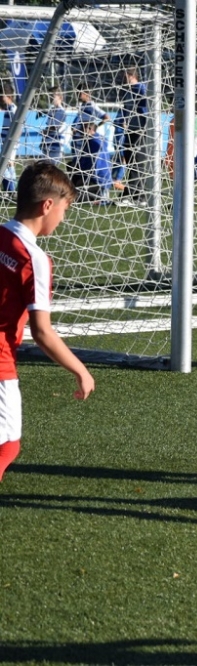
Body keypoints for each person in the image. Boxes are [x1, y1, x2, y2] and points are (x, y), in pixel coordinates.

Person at [0, 161, 96, 482]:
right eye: (64, 210)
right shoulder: (34, 258)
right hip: (1, 363)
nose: (63, 219)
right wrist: (81, 371)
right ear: (47, 206)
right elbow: (41, 331)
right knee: (6, 446)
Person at [116, 68, 149, 205]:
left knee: (137, 163)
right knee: (130, 161)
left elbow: (147, 108)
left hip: (139, 130)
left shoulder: (141, 88)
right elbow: (127, 109)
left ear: (131, 76)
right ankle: (141, 196)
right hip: (130, 130)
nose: (123, 79)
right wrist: (123, 120)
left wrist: (144, 125)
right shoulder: (128, 91)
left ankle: (128, 196)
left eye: (125, 76)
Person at [70, 122, 113, 203]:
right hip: (95, 178)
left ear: (89, 129)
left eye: (82, 129)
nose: (80, 131)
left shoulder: (95, 143)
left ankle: (100, 195)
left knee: (71, 198)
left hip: (97, 180)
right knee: (71, 165)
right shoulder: (94, 140)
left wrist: (85, 177)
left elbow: (96, 164)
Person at [73, 84, 111, 155]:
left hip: (86, 139)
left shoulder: (92, 106)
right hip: (78, 138)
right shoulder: (82, 105)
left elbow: (107, 117)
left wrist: (95, 127)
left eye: (79, 93)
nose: (77, 95)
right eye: (77, 93)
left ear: (87, 93)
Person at [41, 87, 67, 161]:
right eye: (50, 96)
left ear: (60, 97)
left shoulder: (61, 111)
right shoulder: (52, 110)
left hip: (55, 146)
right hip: (48, 144)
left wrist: (45, 131)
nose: (51, 98)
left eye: (53, 96)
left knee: (51, 167)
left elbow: (54, 127)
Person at [1, 91, 18, 193]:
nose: (2, 98)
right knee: (6, 164)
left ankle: (12, 190)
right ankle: (8, 190)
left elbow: (17, 127)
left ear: (9, 96)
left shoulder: (13, 109)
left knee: (9, 164)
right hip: (4, 141)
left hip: (11, 142)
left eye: (4, 96)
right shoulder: (8, 108)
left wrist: (13, 141)